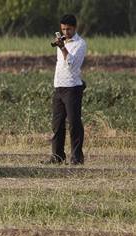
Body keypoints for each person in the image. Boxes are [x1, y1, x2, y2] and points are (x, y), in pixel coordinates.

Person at [43, 14, 87, 165]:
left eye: (68, 29)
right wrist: (61, 45)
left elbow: (72, 65)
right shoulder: (62, 41)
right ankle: (57, 156)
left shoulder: (80, 44)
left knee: (74, 123)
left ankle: (77, 158)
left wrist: (63, 48)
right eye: (63, 29)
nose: (65, 32)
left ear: (75, 28)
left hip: (72, 88)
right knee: (57, 124)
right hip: (59, 86)